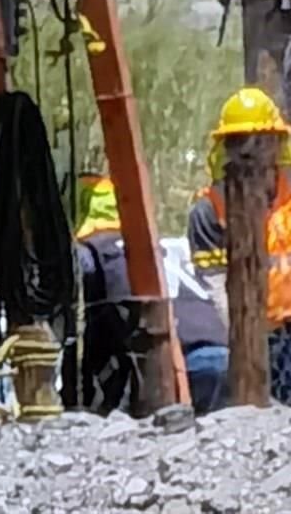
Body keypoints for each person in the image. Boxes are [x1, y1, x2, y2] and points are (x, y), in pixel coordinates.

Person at [188, 86, 291, 407]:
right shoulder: (210, 209)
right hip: (245, 338)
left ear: (276, 143)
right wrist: (246, 342)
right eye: (239, 141)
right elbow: (216, 286)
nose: (249, 149)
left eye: (259, 140)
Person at [75, 174, 228, 414]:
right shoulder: (162, 244)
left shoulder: (92, 251)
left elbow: (97, 330)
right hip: (223, 350)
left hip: (181, 361)